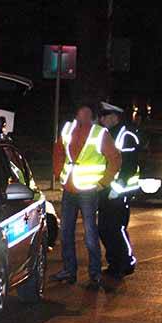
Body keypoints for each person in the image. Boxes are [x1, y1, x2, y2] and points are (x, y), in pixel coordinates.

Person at [49, 103, 121, 289]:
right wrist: (58, 173)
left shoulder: (100, 134)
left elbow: (114, 158)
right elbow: (58, 150)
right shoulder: (68, 129)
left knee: (90, 235)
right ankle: (69, 270)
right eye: (81, 113)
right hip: (70, 188)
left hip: (88, 190)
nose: (83, 117)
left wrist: (103, 182)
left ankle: (94, 273)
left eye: (87, 114)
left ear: (93, 116)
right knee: (65, 232)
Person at [98, 101, 139, 278]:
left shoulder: (126, 135)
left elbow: (129, 165)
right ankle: (115, 262)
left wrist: (118, 187)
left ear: (114, 117)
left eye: (104, 116)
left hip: (121, 190)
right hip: (107, 189)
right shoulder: (106, 135)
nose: (101, 120)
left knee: (116, 228)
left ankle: (126, 262)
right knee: (105, 228)